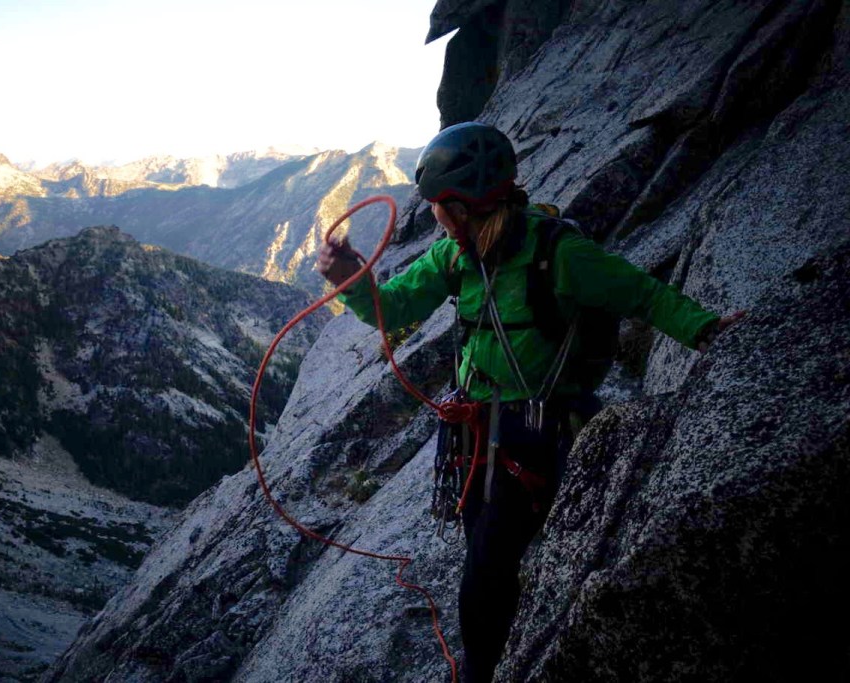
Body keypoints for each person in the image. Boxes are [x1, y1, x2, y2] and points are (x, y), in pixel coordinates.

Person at [316, 122, 744, 683]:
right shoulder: (456, 256)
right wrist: (349, 276)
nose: (435, 219)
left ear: (464, 206)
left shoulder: (559, 253)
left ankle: (482, 674)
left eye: (441, 207)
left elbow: (643, 294)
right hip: (476, 436)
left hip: (536, 433)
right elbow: (391, 308)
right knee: (486, 555)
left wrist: (709, 331)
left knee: (484, 578)